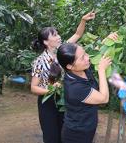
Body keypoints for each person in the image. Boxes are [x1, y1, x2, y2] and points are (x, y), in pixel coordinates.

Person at [30, 11, 95, 143]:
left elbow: (77, 34)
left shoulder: (62, 50)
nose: (59, 37)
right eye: (55, 35)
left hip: (64, 98)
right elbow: (33, 87)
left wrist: (83, 20)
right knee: (51, 136)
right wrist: (52, 89)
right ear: (46, 41)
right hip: (48, 102)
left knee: (64, 133)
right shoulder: (40, 61)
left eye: (58, 34)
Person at [57, 32, 123, 143]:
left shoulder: (80, 68)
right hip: (76, 134)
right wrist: (101, 70)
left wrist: (107, 39)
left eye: (85, 53)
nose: (88, 58)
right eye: (83, 57)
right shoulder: (75, 88)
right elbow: (104, 99)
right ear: (69, 66)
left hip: (87, 127)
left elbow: (95, 53)